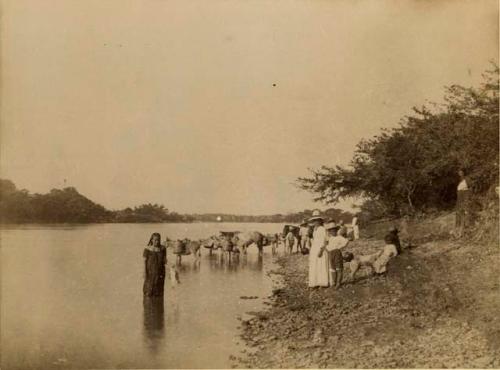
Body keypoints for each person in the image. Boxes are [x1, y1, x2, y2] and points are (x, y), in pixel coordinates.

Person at [321, 223, 350, 289]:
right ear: (329, 231)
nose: (332, 232)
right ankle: (334, 282)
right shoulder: (330, 238)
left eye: (334, 230)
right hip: (331, 253)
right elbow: (327, 245)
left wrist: (339, 247)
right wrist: (327, 249)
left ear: (336, 230)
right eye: (331, 230)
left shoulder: (339, 237)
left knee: (339, 268)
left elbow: (346, 241)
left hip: (337, 253)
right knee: (332, 269)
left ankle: (338, 283)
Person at [308, 210, 330, 288]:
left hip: (321, 248)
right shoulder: (314, 229)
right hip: (314, 248)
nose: (315, 222)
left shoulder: (322, 229)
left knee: (321, 265)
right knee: (314, 265)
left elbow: (325, 241)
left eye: (317, 220)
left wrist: (321, 250)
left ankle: (322, 283)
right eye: (314, 220)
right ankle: (315, 282)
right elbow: (314, 240)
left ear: (320, 221)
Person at [455, 169, 470, 237]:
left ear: (464, 173)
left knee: (465, 210)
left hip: (464, 194)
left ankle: (465, 227)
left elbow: (469, 188)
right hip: (460, 195)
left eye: (461, 172)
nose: (460, 174)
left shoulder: (466, 179)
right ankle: (458, 228)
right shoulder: (459, 180)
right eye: (459, 173)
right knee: (458, 211)